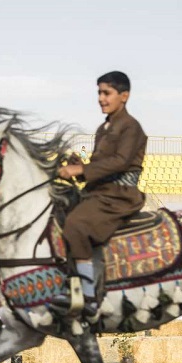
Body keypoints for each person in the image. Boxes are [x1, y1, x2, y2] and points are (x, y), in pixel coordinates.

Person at [52, 70, 147, 317]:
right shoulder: (104, 128)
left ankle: (89, 295)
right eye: (99, 93)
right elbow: (98, 167)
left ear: (124, 96)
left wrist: (80, 168)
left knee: (75, 224)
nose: (101, 98)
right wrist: (78, 168)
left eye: (107, 93)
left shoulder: (131, 126)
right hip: (100, 191)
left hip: (120, 194)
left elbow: (120, 162)